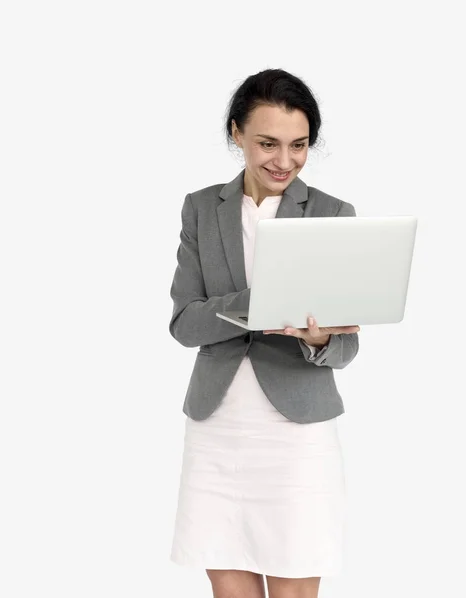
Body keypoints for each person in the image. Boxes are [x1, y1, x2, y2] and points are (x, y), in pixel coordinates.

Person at [168, 68, 360, 598]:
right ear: (237, 134)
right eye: (267, 143)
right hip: (217, 427)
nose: (284, 160)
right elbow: (185, 324)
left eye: (299, 145)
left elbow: (346, 345)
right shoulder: (202, 208)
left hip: (297, 433)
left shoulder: (332, 214)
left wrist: (318, 339)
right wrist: (259, 304)